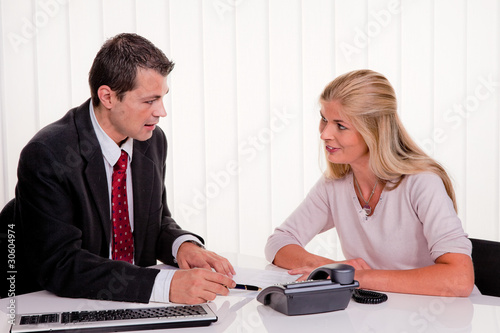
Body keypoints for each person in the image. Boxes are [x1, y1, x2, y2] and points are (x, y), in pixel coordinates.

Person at [10, 33, 236, 304]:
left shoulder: (150, 140)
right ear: (107, 96)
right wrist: (163, 285)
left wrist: (182, 246)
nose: (161, 112)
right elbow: (61, 264)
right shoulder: (49, 154)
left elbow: (153, 221)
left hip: (126, 301)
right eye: (149, 101)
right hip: (53, 302)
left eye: (163, 97)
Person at [265, 69, 474, 297]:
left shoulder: (422, 183)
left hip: (441, 317)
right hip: (379, 313)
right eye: (324, 119)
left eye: (340, 125)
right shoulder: (334, 184)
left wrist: (358, 277)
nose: (325, 134)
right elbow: (279, 242)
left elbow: (460, 279)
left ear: (374, 131)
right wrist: (330, 268)